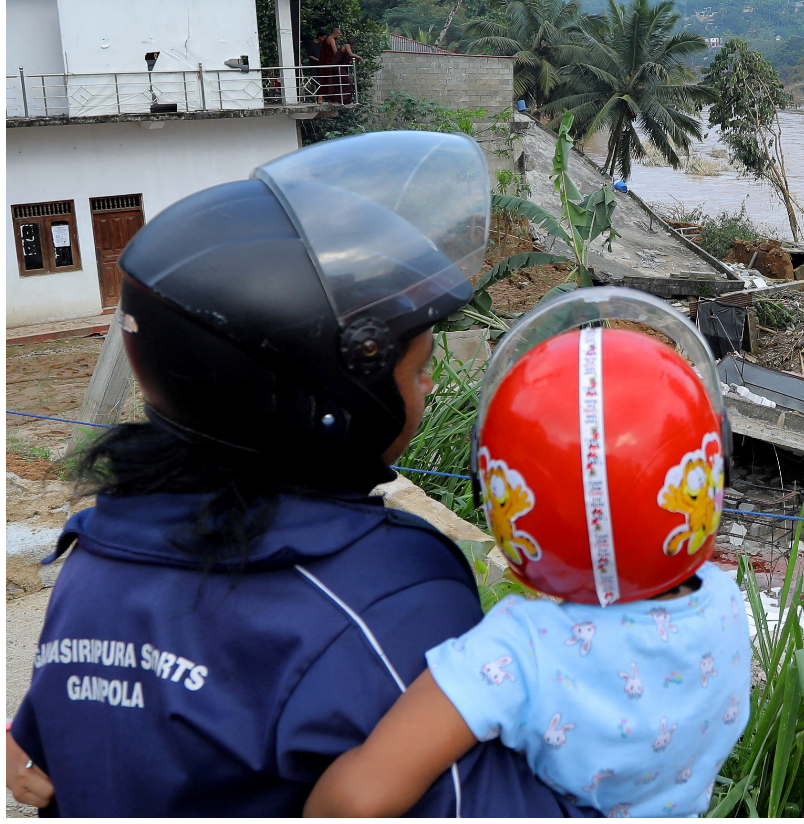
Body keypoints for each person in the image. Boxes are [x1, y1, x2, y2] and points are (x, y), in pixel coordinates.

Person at [4, 131, 591, 816]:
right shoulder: (391, 591)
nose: (431, 388)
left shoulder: (94, 557)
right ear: (327, 401)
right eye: (419, 369)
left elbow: (47, 771)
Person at [304, 289, 752, 818]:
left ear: (495, 497)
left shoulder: (520, 649)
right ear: (711, 468)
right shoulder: (726, 604)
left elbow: (356, 800)